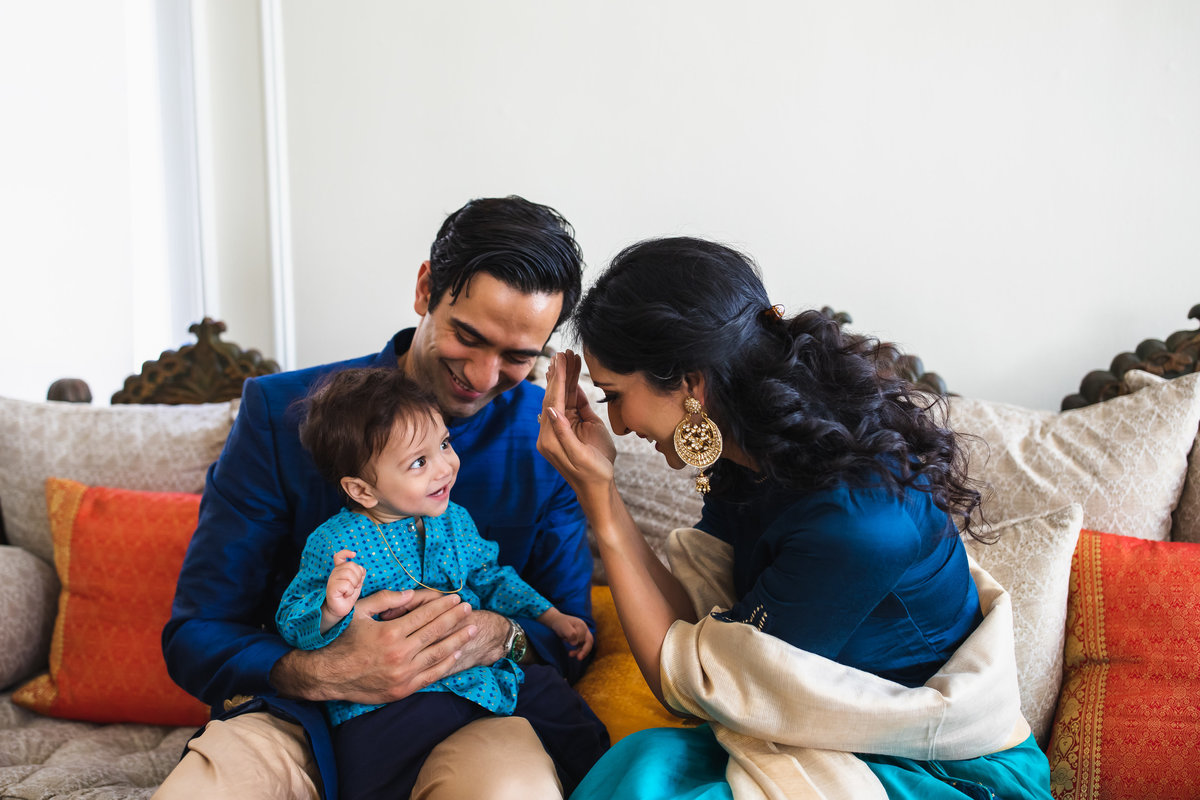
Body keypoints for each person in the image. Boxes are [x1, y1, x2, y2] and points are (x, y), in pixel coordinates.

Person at [536, 237, 1053, 799]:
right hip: (825, 736)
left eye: (613, 395)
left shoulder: (855, 520)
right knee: (643, 763)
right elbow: (699, 630)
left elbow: (694, 683)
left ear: (689, 383)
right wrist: (602, 493)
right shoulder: (760, 453)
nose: (618, 423)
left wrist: (600, 500)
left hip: (937, 767)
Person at [154, 196, 596, 800]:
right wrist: (322, 671)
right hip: (294, 717)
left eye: (519, 357)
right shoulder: (278, 413)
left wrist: (499, 635)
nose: (486, 376)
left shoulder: (545, 443)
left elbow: (569, 638)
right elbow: (196, 634)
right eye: (468, 336)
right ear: (425, 290)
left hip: (469, 714)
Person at [278, 367, 608, 799]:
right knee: (373, 765)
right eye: (419, 462)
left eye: (445, 445)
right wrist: (329, 609)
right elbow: (290, 616)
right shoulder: (336, 543)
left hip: (479, 672)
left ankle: (605, 785)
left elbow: (491, 578)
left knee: (564, 709)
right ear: (361, 490)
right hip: (393, 700)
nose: (445, 467)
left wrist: (549, 614)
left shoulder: (454, 519)